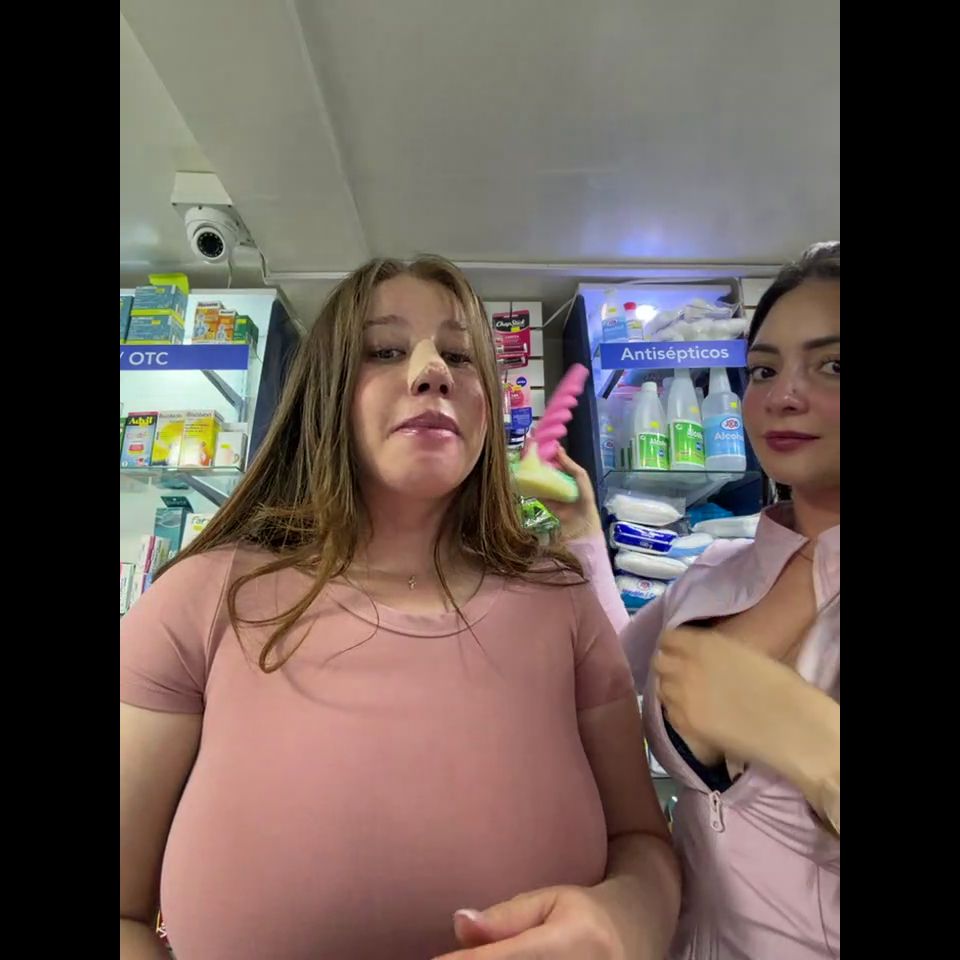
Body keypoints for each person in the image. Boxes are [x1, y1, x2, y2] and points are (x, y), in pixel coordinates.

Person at [119, 255, 680, 960]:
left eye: (460, 356)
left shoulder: (563, 604)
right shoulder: (201, 601)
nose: (432, 371)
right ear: (324, 394)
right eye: (384, 351)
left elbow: (643, 843)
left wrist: (629, 921)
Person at [559, 241, 841, 960]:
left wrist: (811, 740)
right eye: (763, 370)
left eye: (833, 365)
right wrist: (583, 528)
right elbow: (614, 665)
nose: (783, 395)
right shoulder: (715, 572)